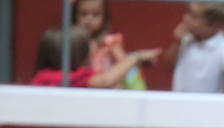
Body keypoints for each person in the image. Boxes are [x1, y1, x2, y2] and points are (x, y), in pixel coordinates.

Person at [163, 2, 224, 95]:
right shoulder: (187, 39)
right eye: (188, 13)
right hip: (179, 103)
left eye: (194, 17)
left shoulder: (223, 46)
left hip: (206, 107)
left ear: (213, 25)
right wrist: (177, 42)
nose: (186, 18)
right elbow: (170, 63)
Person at [30, 26, 158, 88]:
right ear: (79, 57)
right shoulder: (68, 78)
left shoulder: (42, 76)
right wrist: (136, 57)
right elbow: (107, 80)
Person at [72, 0, 146, 90]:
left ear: (104, 18)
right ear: (75, 15)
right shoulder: (72, 42)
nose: (89, 19)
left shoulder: (109, 42)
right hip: (85, 85)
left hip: (109, 85)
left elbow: (124, 63)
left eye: (95, 15)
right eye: (83, 14)